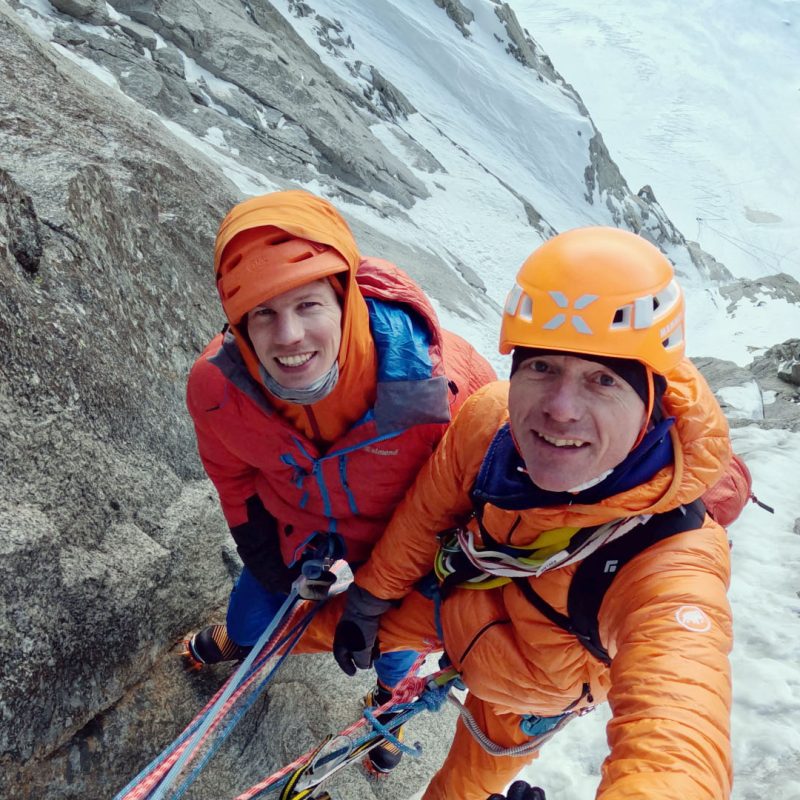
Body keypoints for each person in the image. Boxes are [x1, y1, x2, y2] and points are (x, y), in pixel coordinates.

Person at [296, 227, 737, 799]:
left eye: (603, 379)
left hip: (527, 691)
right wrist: (371, 596)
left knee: (457, 794)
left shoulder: (673, 559)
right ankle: (238, 645)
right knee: (307, 628)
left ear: (650, 397)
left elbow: (679, 728)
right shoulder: (490, 425)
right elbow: (424, 516)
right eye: (542, 368)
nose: (559, 409)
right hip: (455, 603)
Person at [183, 189, 496, 773]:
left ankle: (387, 699)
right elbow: (234, 475)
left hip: (404, 547)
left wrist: (389, 596)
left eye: (307, 305)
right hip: (297, 532)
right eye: (263, 314)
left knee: (392, 645)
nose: (289, 337)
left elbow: (466, 509)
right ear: (240, 325)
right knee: (253, 612)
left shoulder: (442, 386)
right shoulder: (219, 388)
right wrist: (264, 557)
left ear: (345, 296)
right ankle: (243, 644)